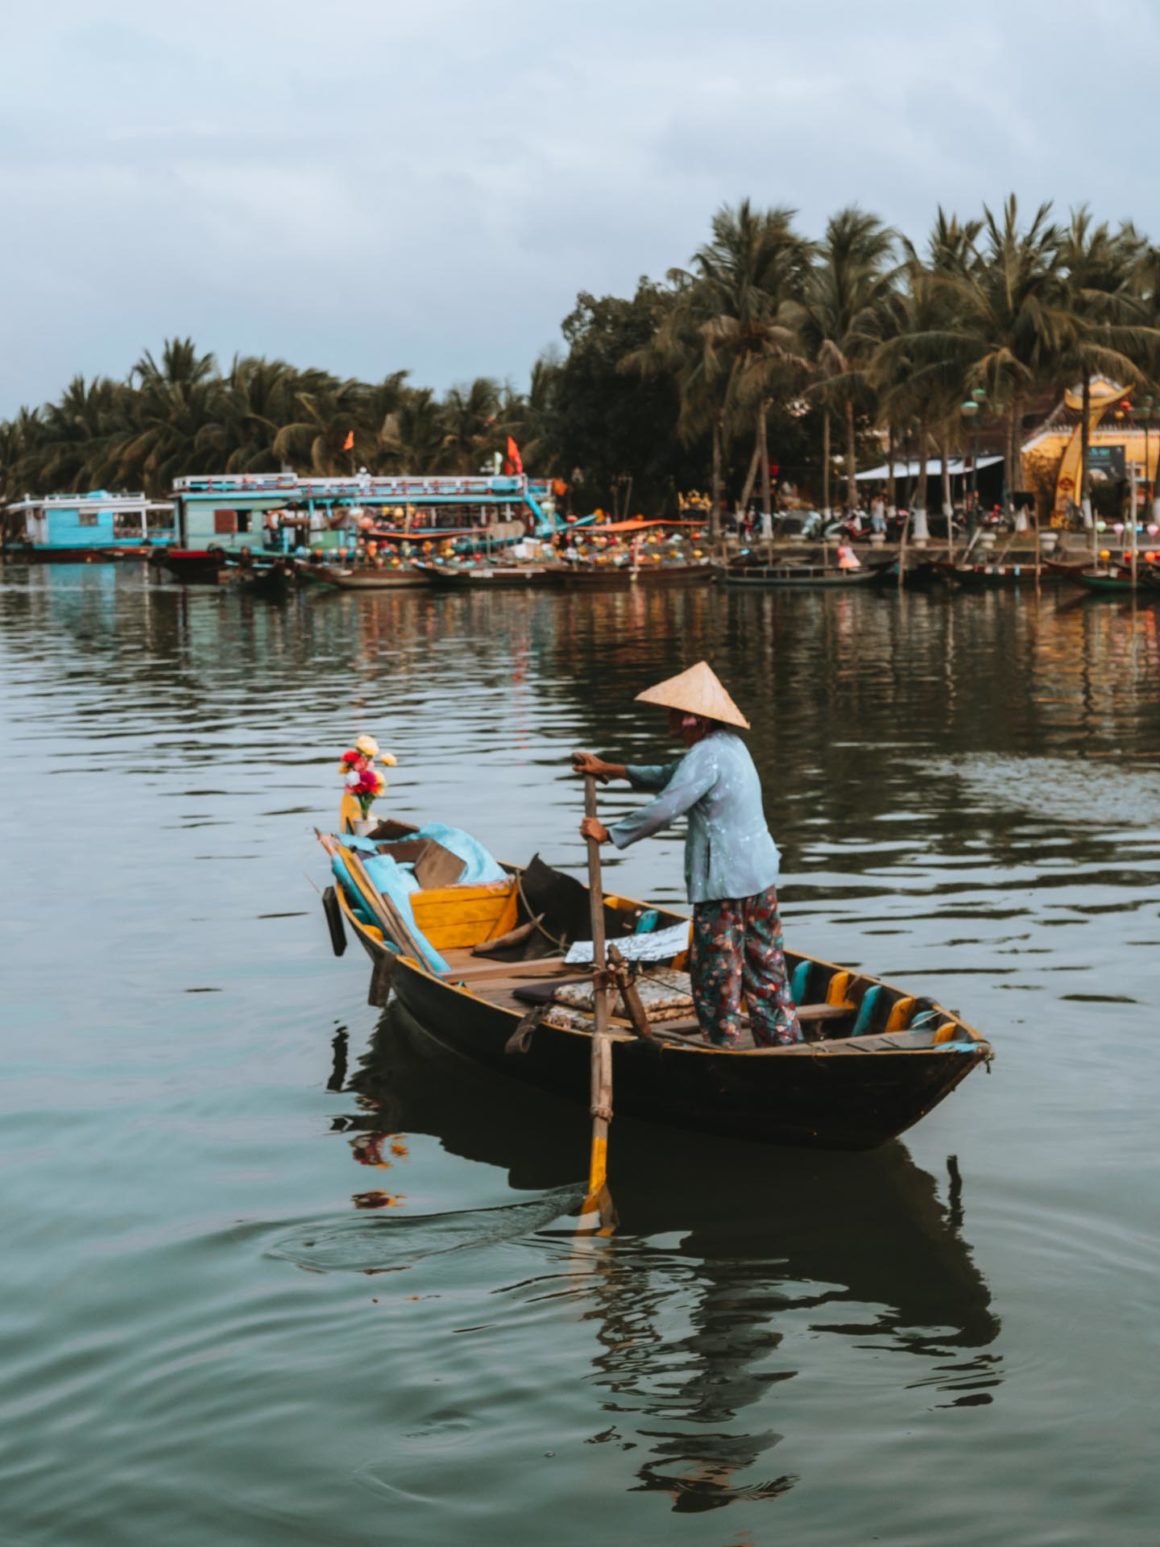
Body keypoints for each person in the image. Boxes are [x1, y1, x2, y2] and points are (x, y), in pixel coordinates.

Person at [572, 662, 802, 1049]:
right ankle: (783, 1042)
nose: (669, 719)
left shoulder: (706, 755)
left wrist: (609, 833)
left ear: (693, 718)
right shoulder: (728, 747)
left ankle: (722, 1049)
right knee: (767, 968)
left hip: (725, 886)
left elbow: (665, 807)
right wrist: (609, 769)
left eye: (674, 712)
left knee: (716, 977)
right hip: (759, 878)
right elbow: (669, 774)